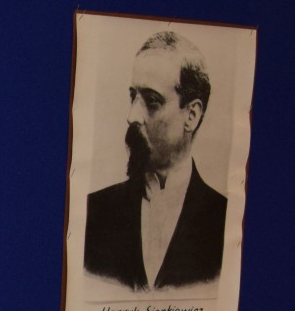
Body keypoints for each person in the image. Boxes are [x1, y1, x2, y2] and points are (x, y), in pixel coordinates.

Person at [83, 31, 226, 292]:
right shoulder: (93, 213)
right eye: (133, 97)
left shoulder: (224, 221)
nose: (132, 116)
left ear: (191, 115)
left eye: (151, 101)